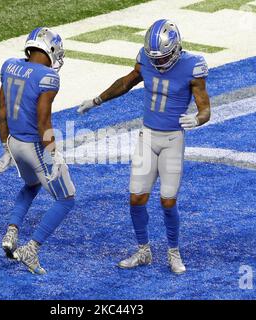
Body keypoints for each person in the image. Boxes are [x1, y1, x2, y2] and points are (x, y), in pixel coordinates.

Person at [77, 19, 211, 274]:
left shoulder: (193, 66)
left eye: (163, 57)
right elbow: (127, 82)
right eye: (154, 58)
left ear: (177, 48)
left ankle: (173, 253)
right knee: (137, 197)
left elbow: (205, 109)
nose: (158, 62)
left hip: (172, 139)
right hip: (147, 136)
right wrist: (97, 100)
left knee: (168, 201)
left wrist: (197, 118)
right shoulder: (146, 59)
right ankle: (143, 251)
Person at [0, 27, 75, 275]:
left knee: (32, 186)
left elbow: (2, 112)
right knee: (66, 198)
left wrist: (4, 147)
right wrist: (54, 154)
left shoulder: (9, 66)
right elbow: (43, 123)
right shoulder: (47, 77)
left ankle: (12, 232)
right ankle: (31, 249)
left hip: (14, 142)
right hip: (34, 146)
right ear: (50, 50)